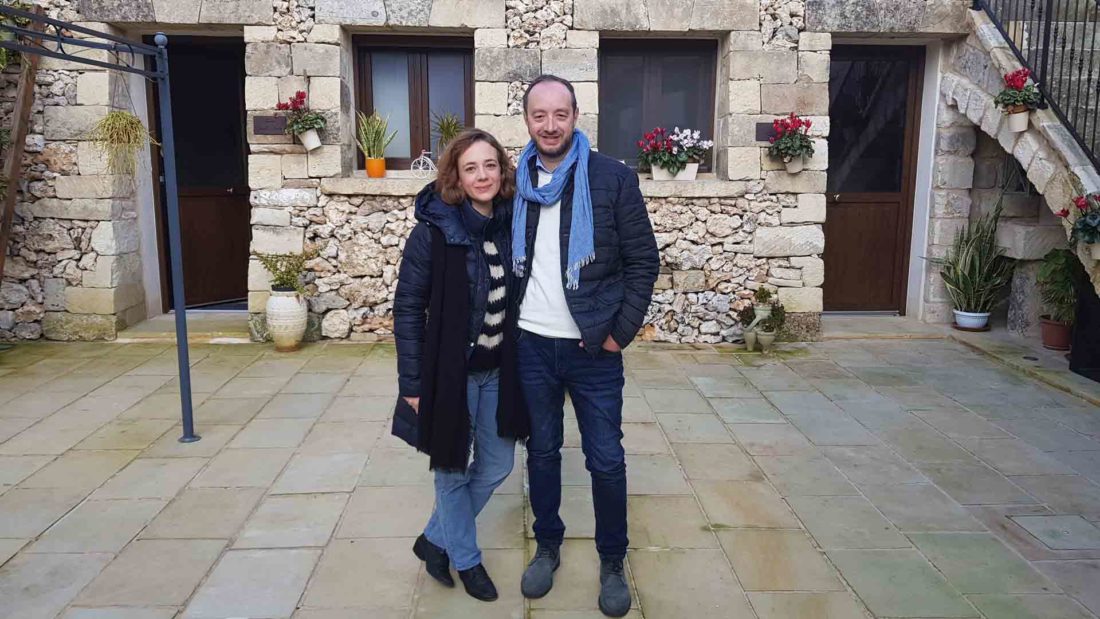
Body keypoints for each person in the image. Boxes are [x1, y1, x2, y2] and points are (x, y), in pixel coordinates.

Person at [512, 75, 659, 617]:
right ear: (527, 120)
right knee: (542, 452)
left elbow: (643, 262)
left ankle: (612, 559)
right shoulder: (514, 181)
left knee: (605, 459)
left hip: (593, 348)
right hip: (531, 344)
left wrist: (619, 333)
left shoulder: (612, 178)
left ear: (576, 116)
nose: (550, 125)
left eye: (560, 114)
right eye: (539, 115)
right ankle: (547, 544)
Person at [393, 128, 529, 602]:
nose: (482, 175)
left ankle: (435, 539)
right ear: (456, 176)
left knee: (496, 465)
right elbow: (408, 309)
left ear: (502, 170)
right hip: (450, 372)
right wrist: (413, 383)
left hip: (499, 369)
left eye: (490, 165)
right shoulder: (433, 231)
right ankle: (467, 561)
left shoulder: (512, 224)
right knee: (451, 468)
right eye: (471, 168)